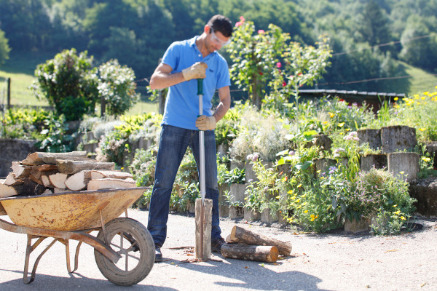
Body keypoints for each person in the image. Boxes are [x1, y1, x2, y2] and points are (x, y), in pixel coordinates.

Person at [147, 15, 233, 262]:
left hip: (203, 128)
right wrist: (185, 74)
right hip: (174, 124)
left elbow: (225, 100)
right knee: (163, 183)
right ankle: (153, 240)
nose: (218, 46)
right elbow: (155, 82)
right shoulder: (178, 49)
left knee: (211, 186)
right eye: (216, 40)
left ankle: (213, 237)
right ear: (207, 30)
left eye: (223, 43)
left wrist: (214, 119)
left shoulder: (220, 63)